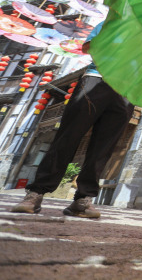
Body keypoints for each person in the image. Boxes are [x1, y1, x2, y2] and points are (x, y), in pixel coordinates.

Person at [11, 21, 134, 219]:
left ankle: (83, 199)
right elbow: (88, 47)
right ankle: (36, 193)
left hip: (128, 90)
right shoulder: (113, 21)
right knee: (67, 138)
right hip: (96, 79)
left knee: (104, 147)